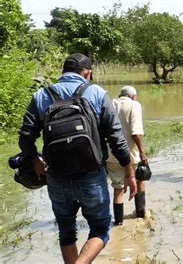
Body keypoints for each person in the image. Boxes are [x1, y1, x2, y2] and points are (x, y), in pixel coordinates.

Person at [18, 53, 137, 264]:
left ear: (62, 72)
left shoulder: (41, 95)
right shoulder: (98, 93)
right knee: (100, 230)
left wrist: (34, 160)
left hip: (56, 176)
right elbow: (116, 138)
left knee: (66, 232)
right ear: (87, 73)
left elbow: (26, 135)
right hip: (91, 175)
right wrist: (129, 172)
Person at [107, 86, 148, 225]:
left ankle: (118, 223)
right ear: (134, 96)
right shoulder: (134, 105)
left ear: (120, 95)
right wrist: (142, 152)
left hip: (112, 155)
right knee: (139, 181)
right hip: (130, 154)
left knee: (118, 188)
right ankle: (141, 215)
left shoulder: (110, 104)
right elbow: (135, 133)